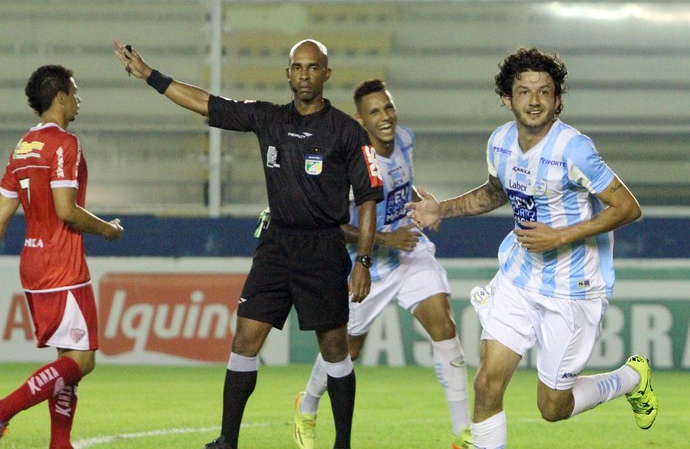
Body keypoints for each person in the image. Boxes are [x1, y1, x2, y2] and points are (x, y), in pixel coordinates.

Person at [113, 39, 383, 449]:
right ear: (287, 73)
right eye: (298, 67)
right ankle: (227, 440)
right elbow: (207, 103)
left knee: (334, 350)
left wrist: (362, 260)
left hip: (323, 250)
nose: (304, 75)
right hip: (276, 247)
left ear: (326, 74)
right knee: (244, 340)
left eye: (313, 68)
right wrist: (151, 75)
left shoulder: (347, 132)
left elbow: (367, 199)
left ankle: (342, 442)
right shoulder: (268, 118)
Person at [406, 47, 658, 448]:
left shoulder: (575, 149)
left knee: (553, 407)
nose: (534, 100)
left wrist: (559, 236)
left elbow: (628, 207)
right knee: (487, 382)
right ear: (507, 98)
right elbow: (494, 193)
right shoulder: (501, 141)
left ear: (558, 100)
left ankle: (630, 378)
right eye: (524, 91)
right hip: (519, 277)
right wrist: (442, 209)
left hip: (572, 286)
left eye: (544, 91)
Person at [293, 79, 472, 449]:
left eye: (388, 107)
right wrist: (385, 239)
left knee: (444, 326)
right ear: (361, 120)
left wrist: (424, 199)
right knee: (346, 349)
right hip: (368, 265)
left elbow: (404, 185)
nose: (386, 117)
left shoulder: (406, 138)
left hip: (410, 254)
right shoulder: (347, 162)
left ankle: (464, 435)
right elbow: (333, 223)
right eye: (375, 112)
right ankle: (307, 404)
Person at [0, 65, 124, 447]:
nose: (78, 99)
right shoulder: (65, 144)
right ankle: (4, 410)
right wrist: (107, 228)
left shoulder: (22, 147)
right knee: (82, 361)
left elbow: (2, 215)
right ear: (60, 97)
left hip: (33, 266)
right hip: (63, 266)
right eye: (75, 91)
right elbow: (67, 210)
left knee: (66, 361)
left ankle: (60, 442)